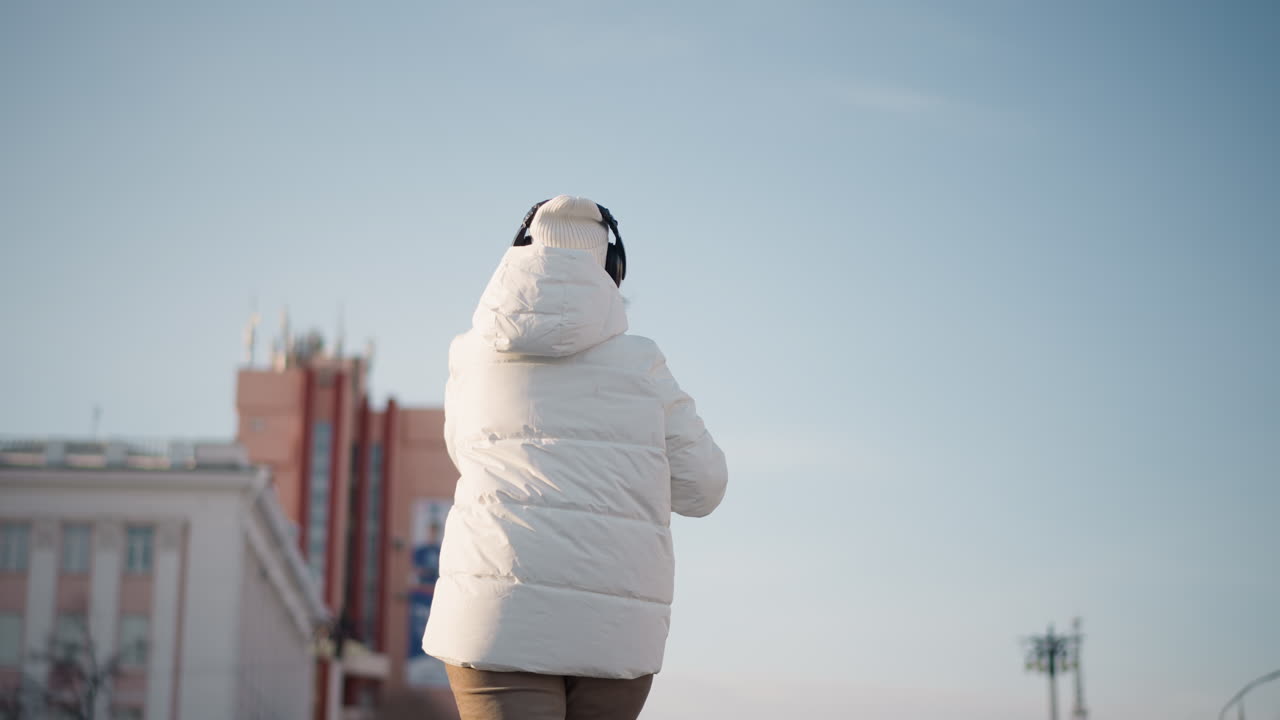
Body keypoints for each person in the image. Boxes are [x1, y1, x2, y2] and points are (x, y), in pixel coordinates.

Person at [422, 195, 729, 720]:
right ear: (613, 269)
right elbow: (703, 490)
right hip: (612, 632)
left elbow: (463, 454)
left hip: (494, 616)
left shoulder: (469, 356)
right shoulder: (643, 366)